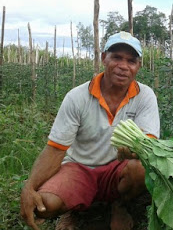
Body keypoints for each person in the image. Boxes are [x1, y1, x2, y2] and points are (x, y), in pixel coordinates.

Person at [20, 31, 160, 230]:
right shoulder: (77, 97)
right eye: (117, 57)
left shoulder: (144, 95)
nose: (123, 66)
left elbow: (149, 143)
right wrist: (30, 186)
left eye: (131, 61)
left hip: (117, 168)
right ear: (104, 58)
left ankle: (118, 205)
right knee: (44, 205)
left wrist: (133, 151)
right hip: (79, 168)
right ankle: (74, 209)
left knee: (141, 168)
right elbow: (56, 149)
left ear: (138, 67)